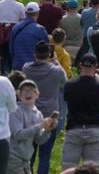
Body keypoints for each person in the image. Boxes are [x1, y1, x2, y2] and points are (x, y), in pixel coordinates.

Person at [23, 41, 66, 174]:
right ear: (49, 54)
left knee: (29, 154)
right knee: (45, 155)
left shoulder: (27, 68)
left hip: (30, 116)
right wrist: (56, 62)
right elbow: (65, 81)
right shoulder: (56, 70)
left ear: (35, 54)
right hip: (49, 117)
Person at [62, 54, 99, 169]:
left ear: (80, 65)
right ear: (96, 66)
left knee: (68, 168)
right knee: (93, 170)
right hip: (95, 129)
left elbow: (66, 99)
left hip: (74, 129)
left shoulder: (69, 85)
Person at [8, 79, 55, 174]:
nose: (28, 93)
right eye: (24, 90)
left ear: (37, 94)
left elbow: (38, 140)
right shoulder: (15, 110)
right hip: (12, 158)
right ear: (19, 95)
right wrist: (40, 125)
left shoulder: (38, 114)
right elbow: (18, 135)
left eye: (31, 90)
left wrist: (47, 130)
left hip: (26, 160)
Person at [10, 3, 47, 72]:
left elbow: (11, 49)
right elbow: (46, 50)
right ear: (38, 13)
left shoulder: (15, 28)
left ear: (25, 13)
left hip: (18, 66)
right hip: (34, 67)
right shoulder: (40, 29)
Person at [0, 0, 25, 73]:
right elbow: (23, 20)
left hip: (1, 32)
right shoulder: (20, 5)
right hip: (13, 33)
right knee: (10, 54)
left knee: (2, 54)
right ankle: (9, 71)